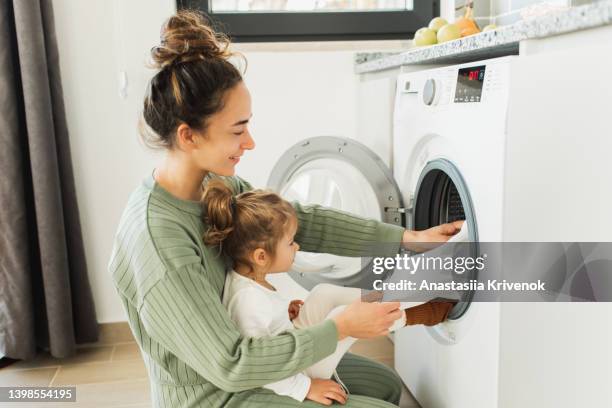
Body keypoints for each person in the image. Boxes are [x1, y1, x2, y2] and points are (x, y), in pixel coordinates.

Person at [108, 10, 463, 408]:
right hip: (217, 394)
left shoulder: (215, 184)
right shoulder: (159, 242)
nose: (251, 143)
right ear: (188, 136)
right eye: (238, 130)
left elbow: (299, 221)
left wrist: (404, 238)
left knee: (382, 383)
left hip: (254, 361)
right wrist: (338, 326)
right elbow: (231, 364)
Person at [201, 180, 456, 405]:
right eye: (290, 242)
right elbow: (260, 368)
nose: (297, 246)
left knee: (324, 293)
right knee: (343, 315)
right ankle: (420, 311)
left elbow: (267, 327)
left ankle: (394, 294)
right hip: (294, 372)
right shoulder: (247, 301)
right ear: (260, 256)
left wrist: (285, 313)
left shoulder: (250, 280)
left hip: (293, 347)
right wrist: (306, 388)